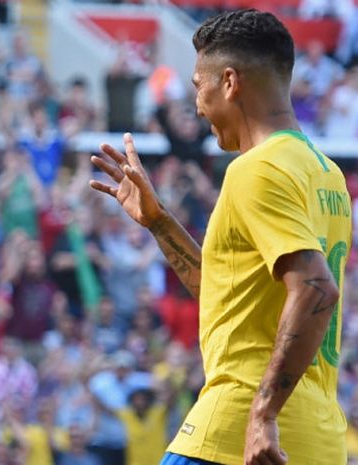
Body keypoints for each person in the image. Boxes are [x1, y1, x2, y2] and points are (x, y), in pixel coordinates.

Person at [90, 9, 350, 465]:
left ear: (229, 82)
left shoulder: (256, 168)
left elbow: (315, 288)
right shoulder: (325, 174)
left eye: (198, 86)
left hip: (235, 432)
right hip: (316, 441)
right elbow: (229, 296)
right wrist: (160, 223)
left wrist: (262, 415)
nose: (197, 105)